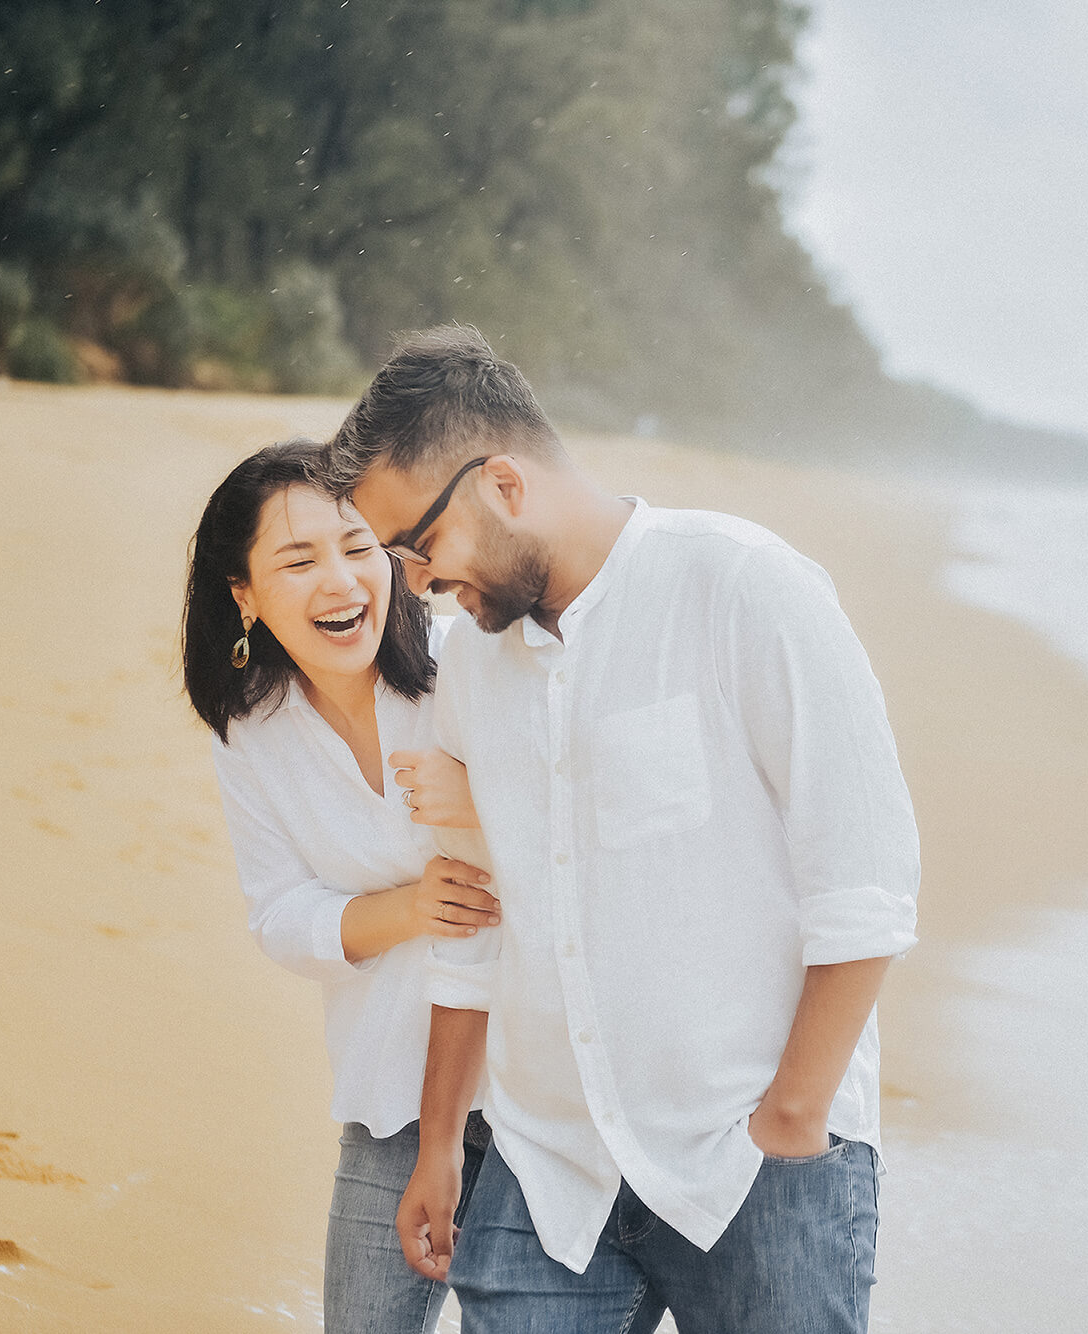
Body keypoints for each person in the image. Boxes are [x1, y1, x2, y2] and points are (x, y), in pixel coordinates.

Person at [323, 327, 921, 1334]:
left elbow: (863, 878)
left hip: (751, 1163)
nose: (413, 583)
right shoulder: (472, 663)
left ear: (502, 484)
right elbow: (473, 914)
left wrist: (789, 1122)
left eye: (417, 545)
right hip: (544, 1169)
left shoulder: (743, 587)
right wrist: (438, 1143)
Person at [180, 439, 501, 1334]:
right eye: (299, 559)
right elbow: (279, 917)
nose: (343, 582)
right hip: (390, 1087)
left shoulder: (465, 664)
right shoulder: (251, 731)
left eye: (359, 549)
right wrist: (405, 911)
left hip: (532, 1089)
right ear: (243, 594)